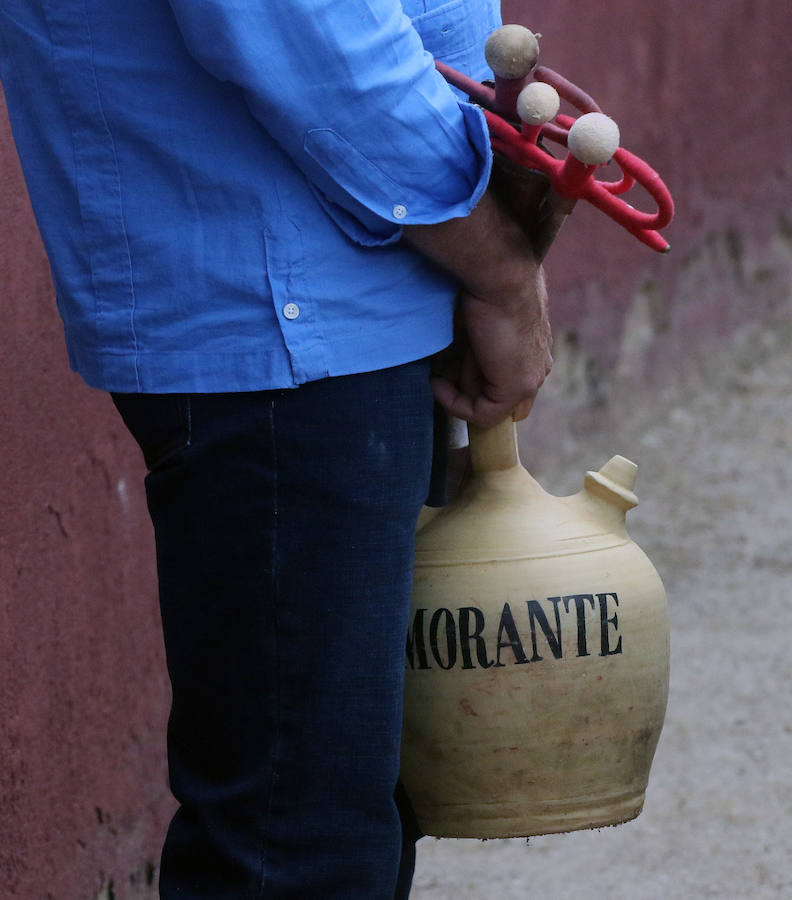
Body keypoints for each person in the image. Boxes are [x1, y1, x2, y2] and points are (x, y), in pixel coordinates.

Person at [0, 0, 551, 896]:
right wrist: (495, 262)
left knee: (344, 812)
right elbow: (311, 28)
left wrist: (483, 226)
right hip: (283, 317)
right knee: (297, 844)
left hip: (351, 299)